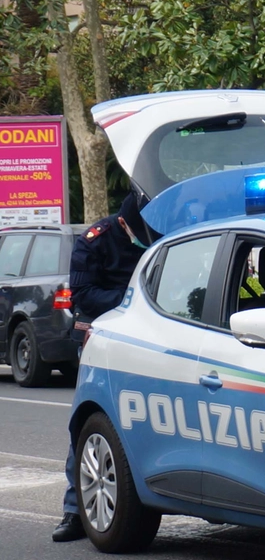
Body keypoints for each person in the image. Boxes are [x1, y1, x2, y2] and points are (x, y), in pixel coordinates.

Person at [53, 190, 158, 542]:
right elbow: (84, 295)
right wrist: (133, 302)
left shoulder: (160, 235)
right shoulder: (94, 241)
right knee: (93, 420)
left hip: (157, 337)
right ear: (124, 222)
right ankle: (75, 510)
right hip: (105, 338)